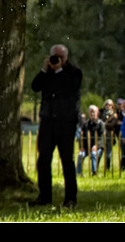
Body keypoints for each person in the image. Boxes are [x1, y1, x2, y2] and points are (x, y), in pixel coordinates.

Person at [30, 44, 82, 207]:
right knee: (43, 160)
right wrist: (45, 69)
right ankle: (44, 196)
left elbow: (69, 88)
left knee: (67, 160)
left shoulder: (74, 73)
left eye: (60, 57)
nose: (57, 60)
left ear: (66, 58)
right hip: (47, 121)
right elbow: (35, 86)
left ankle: (70, 198)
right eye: (55, 56)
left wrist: (59, 70)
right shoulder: (47, 73)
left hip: (66, 123)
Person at [77, 104, 104, 176]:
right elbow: (81, 136)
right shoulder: (86, 124)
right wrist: (81, 146)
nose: (92, 114)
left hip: (97, 147)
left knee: (93, 154)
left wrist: (96, 146)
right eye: (91, 112)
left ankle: (94, 172)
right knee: (80, 155)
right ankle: (79, 173)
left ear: (97, 113)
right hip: (86, 147)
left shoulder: (100, 124)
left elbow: (101, 137)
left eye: (94, 112)